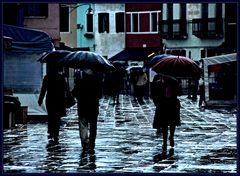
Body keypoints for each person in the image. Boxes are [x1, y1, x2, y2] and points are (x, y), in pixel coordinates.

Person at [72, 68, 102, 153]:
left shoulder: (80, 82)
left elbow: (74, 93)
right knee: (93, 127)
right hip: (93, 108)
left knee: (83, 125)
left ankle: (85, 142)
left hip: (83, 107)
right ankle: (92, 143)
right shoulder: (96, 82)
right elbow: (100, 95)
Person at [38, 64, 67, 145]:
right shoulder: (61, 77)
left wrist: (40, 100)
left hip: (50, 99)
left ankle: (51, 132)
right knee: (57, 117)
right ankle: (56, 134)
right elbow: (65, 89)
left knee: (51, 116)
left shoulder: (47, 77)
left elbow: (43, 89)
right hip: (59, 100)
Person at [151, 74, 181, 151]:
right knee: (164, 124)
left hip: (172, 105)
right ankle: (164, 141)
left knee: (172, 123)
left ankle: (171, 136)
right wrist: (157, 103)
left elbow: (179, 92)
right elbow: (153, 94)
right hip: (162, 105)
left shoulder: (174, 82)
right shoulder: (158, 83)